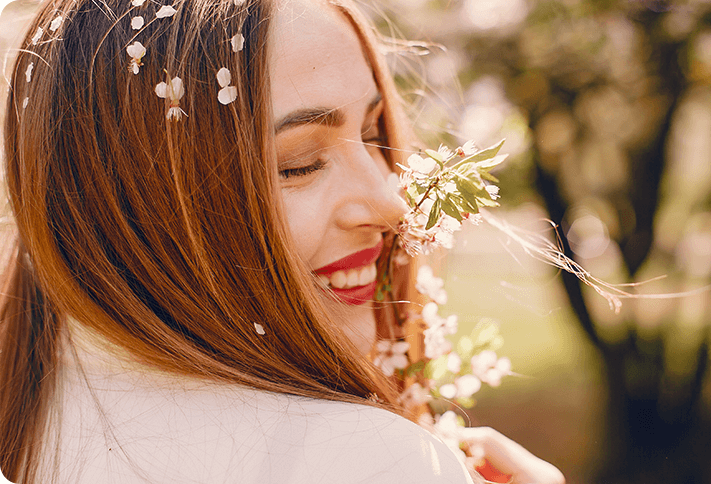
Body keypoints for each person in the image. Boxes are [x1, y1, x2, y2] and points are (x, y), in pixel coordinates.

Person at [0, 0, 566, 482]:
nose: (391, 203)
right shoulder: (371, 462)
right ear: (136, 203)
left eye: (372, 134)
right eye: (298, 164)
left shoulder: (28, 396)